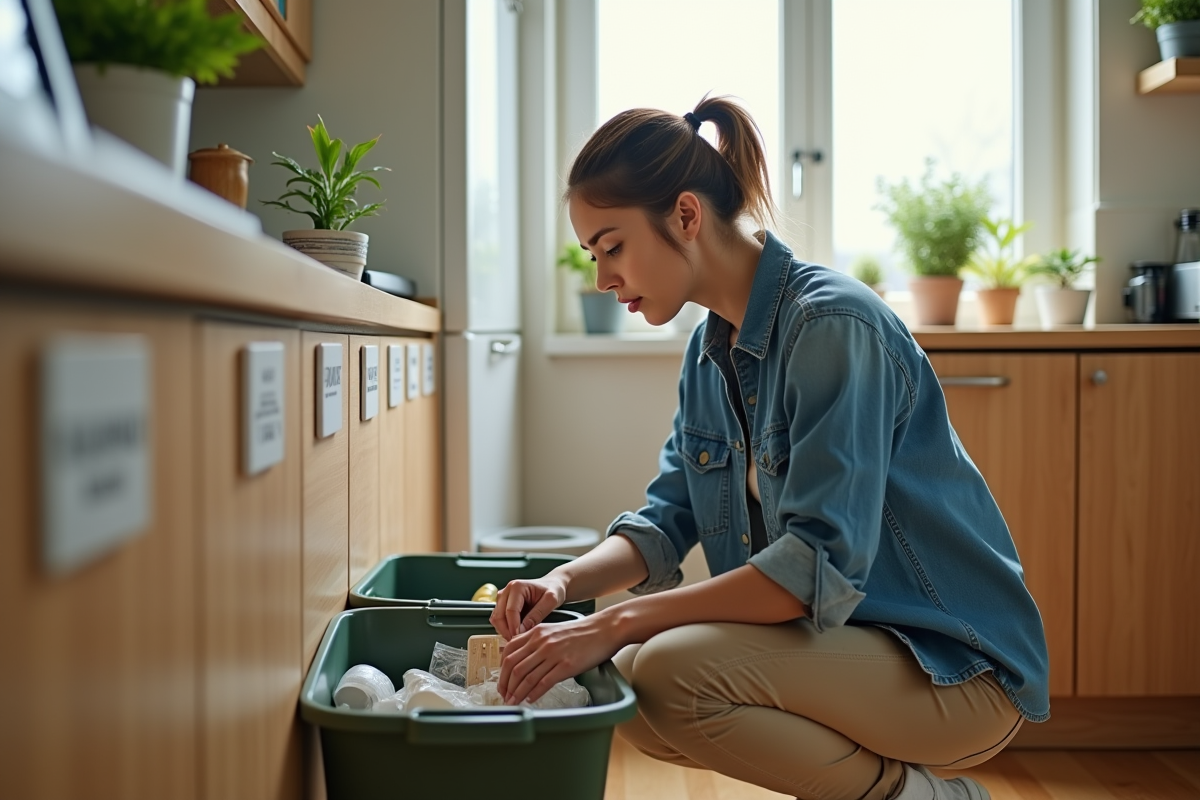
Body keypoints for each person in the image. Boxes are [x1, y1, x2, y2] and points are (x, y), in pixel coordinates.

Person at [490, 95, 1049, 800]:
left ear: (686, 216)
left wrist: (615, 620)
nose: (603, 279)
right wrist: (565, 584)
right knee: (624, 678)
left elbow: (811, 570)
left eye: (612, 246)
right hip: (850, 649)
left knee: (663, 670)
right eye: (593, 255)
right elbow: (667, 518)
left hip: (952, 667)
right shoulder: (707, 350)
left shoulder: (832, 326)